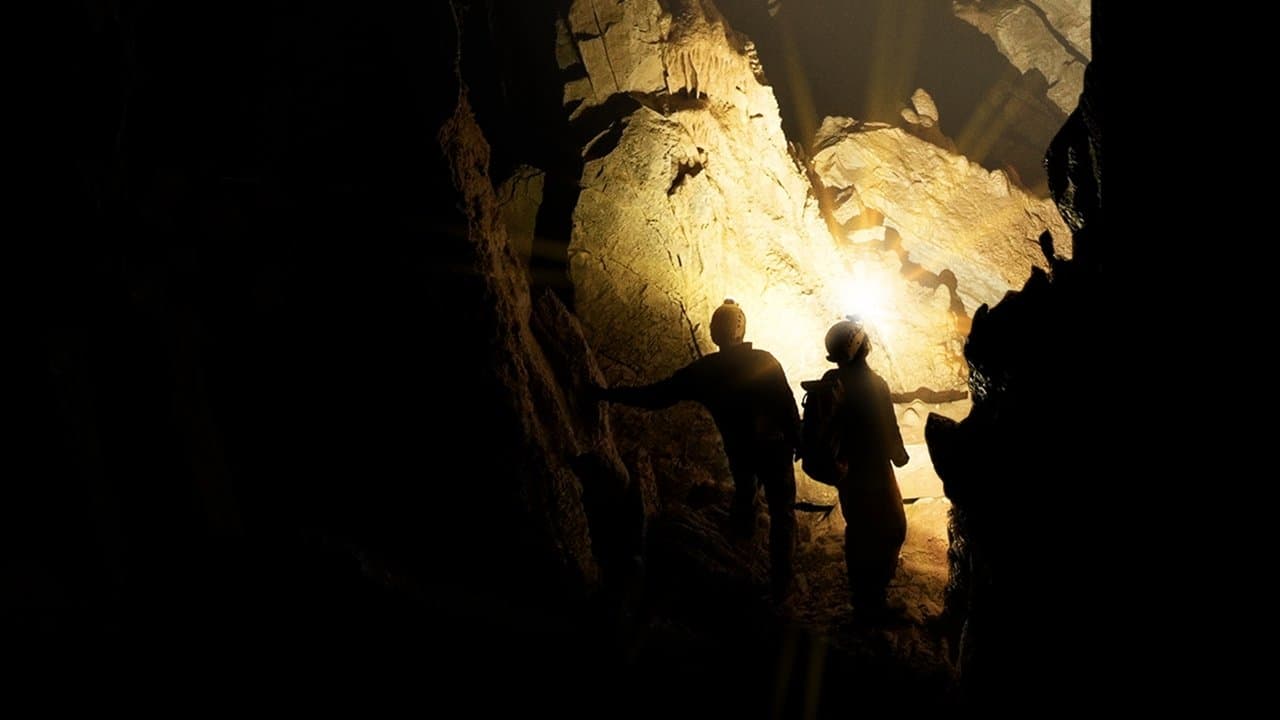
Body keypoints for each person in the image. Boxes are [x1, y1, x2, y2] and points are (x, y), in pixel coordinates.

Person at [590, 299, 801, 602]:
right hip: (774, 449)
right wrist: (799, 441)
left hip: (740, 451)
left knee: (745, 499)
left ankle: (740, 560)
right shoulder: (763, 361)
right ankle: (781, 584)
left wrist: (609, 394)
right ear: (742, 329)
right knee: (782, 513)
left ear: (715, 333)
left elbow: (657, 395)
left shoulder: (705, 371)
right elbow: (787, 408)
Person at [819, 317, 910, 616]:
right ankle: (874, 602)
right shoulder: (873, 384)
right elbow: (888, 429)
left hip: (846, 471)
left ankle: (861, 598)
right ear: (861, 346)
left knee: (858, 529)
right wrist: (900, 456)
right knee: (892, 529)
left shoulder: (832, 379)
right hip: (874, 469)